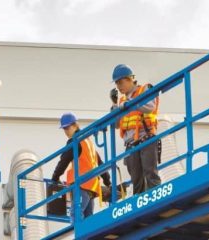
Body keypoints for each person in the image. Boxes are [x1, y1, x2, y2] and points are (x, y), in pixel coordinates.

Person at [111, 64, 161, 194]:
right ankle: (139, 206)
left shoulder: (144, 89)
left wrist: (131, 104)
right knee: (136, 179)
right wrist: (114, 105)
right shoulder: (122, 101)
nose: (118, 87)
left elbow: (150, 107)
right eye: (116, 84)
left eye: (120, 82)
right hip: (131, 145)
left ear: (129, 79)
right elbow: (116, 125)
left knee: (150, 173)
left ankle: (154, 199)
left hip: (146, 138)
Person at [51, 113, 111, 219]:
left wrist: (55, 178)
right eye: (64, 129)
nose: (66, 131)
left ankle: (79, 236)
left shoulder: (75, 141)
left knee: (76, 213)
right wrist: (107, 181)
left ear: (75, 125)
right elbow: (99, 163)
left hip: (82, 184)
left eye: (67, 128)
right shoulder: (88, 142)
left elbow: (63, 161)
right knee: (88, 218)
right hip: (92, 187)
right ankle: (89, 236)